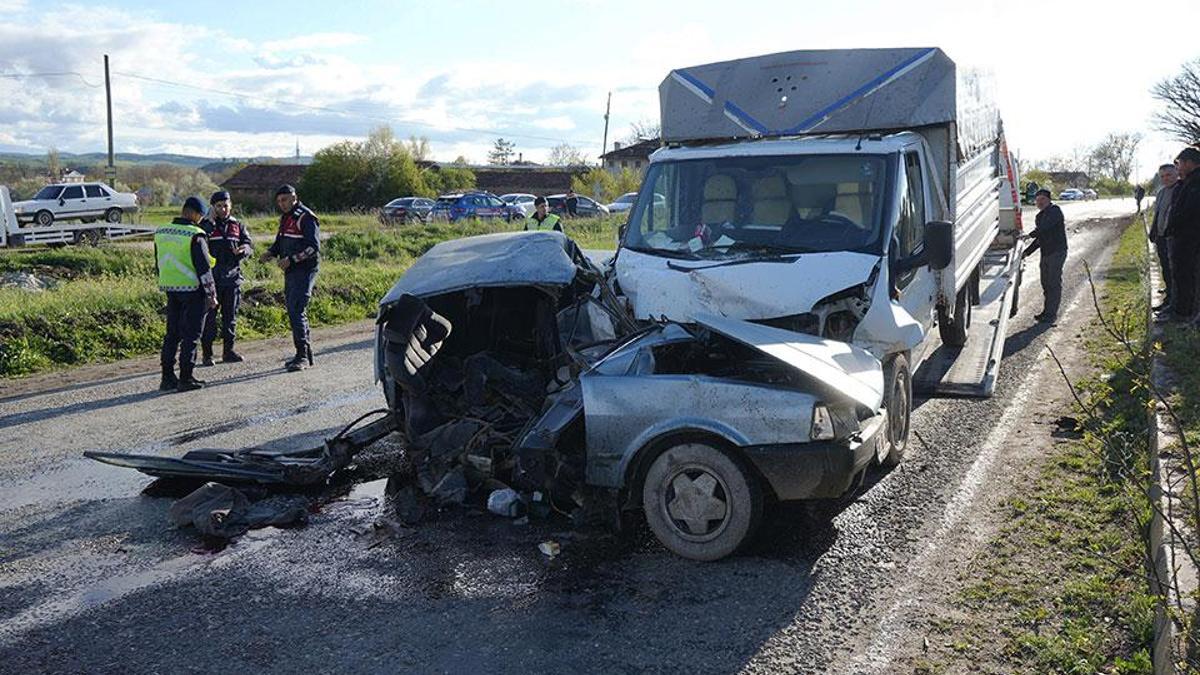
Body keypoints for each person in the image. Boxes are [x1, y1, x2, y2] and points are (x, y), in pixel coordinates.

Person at [155, 197, 218, 392]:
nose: (200, 219)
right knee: (191, 335)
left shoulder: (161, 231)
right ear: (195, 214)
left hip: (170, 288)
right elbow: (204, 269)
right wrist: (212, 295)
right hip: (193, 290)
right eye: (200, 215)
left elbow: (158, 261)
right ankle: (186, 378)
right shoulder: (196, 235)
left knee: (172, 334)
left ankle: (167, 378)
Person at [261, 184, 320, 371]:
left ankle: (302, 356)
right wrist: (270, 253)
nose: (282, 204)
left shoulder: (306, 217)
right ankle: (304, 353)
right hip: (291, 270)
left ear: (294, 197)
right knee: (294, 310)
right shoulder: (286, 218)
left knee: (297, 309)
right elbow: (280, 242)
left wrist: (292, 260)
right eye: (279, 201)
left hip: (305, 269)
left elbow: (313, 248)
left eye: (285, 200)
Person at [199, 190, 252, 365]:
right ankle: (207, 354)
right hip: (211, 281)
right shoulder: (205, 225)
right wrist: (211, 222)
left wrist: (244, 250)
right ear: (212, 207)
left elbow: (248, 244)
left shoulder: (238, 225)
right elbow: (199, 244)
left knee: (230, 318)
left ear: (231, 206)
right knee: (209, 320)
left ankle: (228, 352)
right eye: (219, 206)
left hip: (232, 279)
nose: (223, 209)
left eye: (225, 205)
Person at [1162, 147, 1200, 323]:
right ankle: (1181, 311)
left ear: (1191, 163)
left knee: (1187, 277)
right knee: (1180, 276)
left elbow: (1189, 211)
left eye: (1181, 164)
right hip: (1183, 239)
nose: (1179, 168)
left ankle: (1185, 315)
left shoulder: (1196, 182)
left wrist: (1174, 225)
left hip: (1189, 240)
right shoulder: (1189, 181)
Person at [1022, 189, 1068, 324]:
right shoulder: (1039, 216)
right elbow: (1040, 238)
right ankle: (1046, 311)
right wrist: (1027, 252)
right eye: (1037, 200)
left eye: (1042, 199)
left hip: (1057, 252)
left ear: (1048, 200)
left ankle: (1051, 314)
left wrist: (1030, 235)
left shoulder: (1055, 211)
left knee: (1054, 283)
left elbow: (1045, 228)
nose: (1039, 202)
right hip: (1046, 253)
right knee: (1046, 283)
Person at [1149, 164, 1179, 312]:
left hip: (1173, 238)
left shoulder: (1180, 190)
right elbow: (1158, 213)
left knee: (1174, 271)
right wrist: (1153, 230)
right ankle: (1169, 295)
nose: (1165, 178)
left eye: (1168, 175)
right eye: (1162, 176)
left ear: (1176, 173)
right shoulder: (1161, 192)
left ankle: (1173, 301)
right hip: (1160, 237)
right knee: (1165, 268)